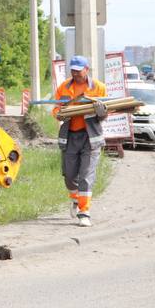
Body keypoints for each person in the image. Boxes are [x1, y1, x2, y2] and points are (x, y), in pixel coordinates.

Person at [52, 55, 109, 227]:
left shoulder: (98, 88)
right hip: (70, 137)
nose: (75, 74)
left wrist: (101, 111)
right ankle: (76, 199)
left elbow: (106, 114)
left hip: (90, 138)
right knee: (69, 176)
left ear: (86, 69)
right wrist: (59, 113)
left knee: (86, 175)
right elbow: (55, 109)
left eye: (78, 70)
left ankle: (84, 212)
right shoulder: (64, 87)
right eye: (73, 71)